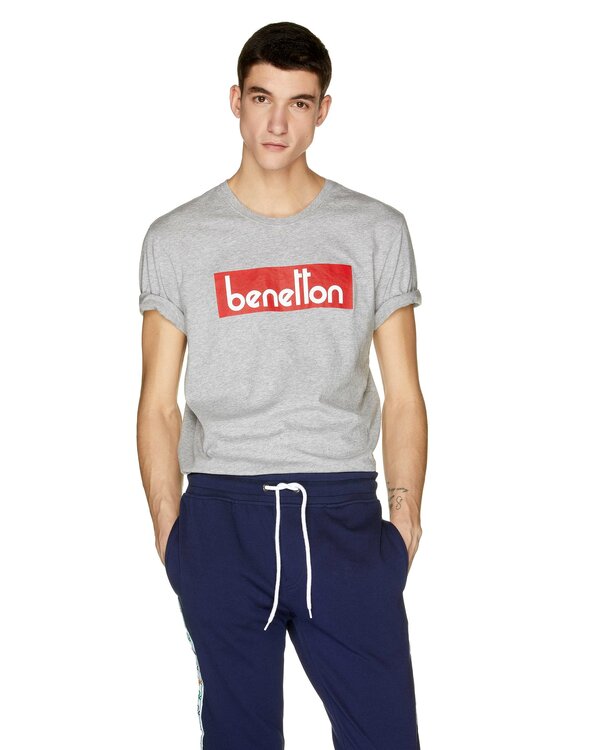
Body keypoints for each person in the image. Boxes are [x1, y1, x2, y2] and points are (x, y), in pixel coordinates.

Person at [137, 20, 426, 750]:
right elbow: (158, 403)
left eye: (298, 103)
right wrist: (170, 530)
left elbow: (404, 393)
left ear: (322, 110)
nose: (277, 123)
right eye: (263, 98)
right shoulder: (178, 239)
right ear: (236, 100)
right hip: (222, 518)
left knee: (385, 737)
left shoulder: (375, 230)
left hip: (341, 516)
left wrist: (405, 520)